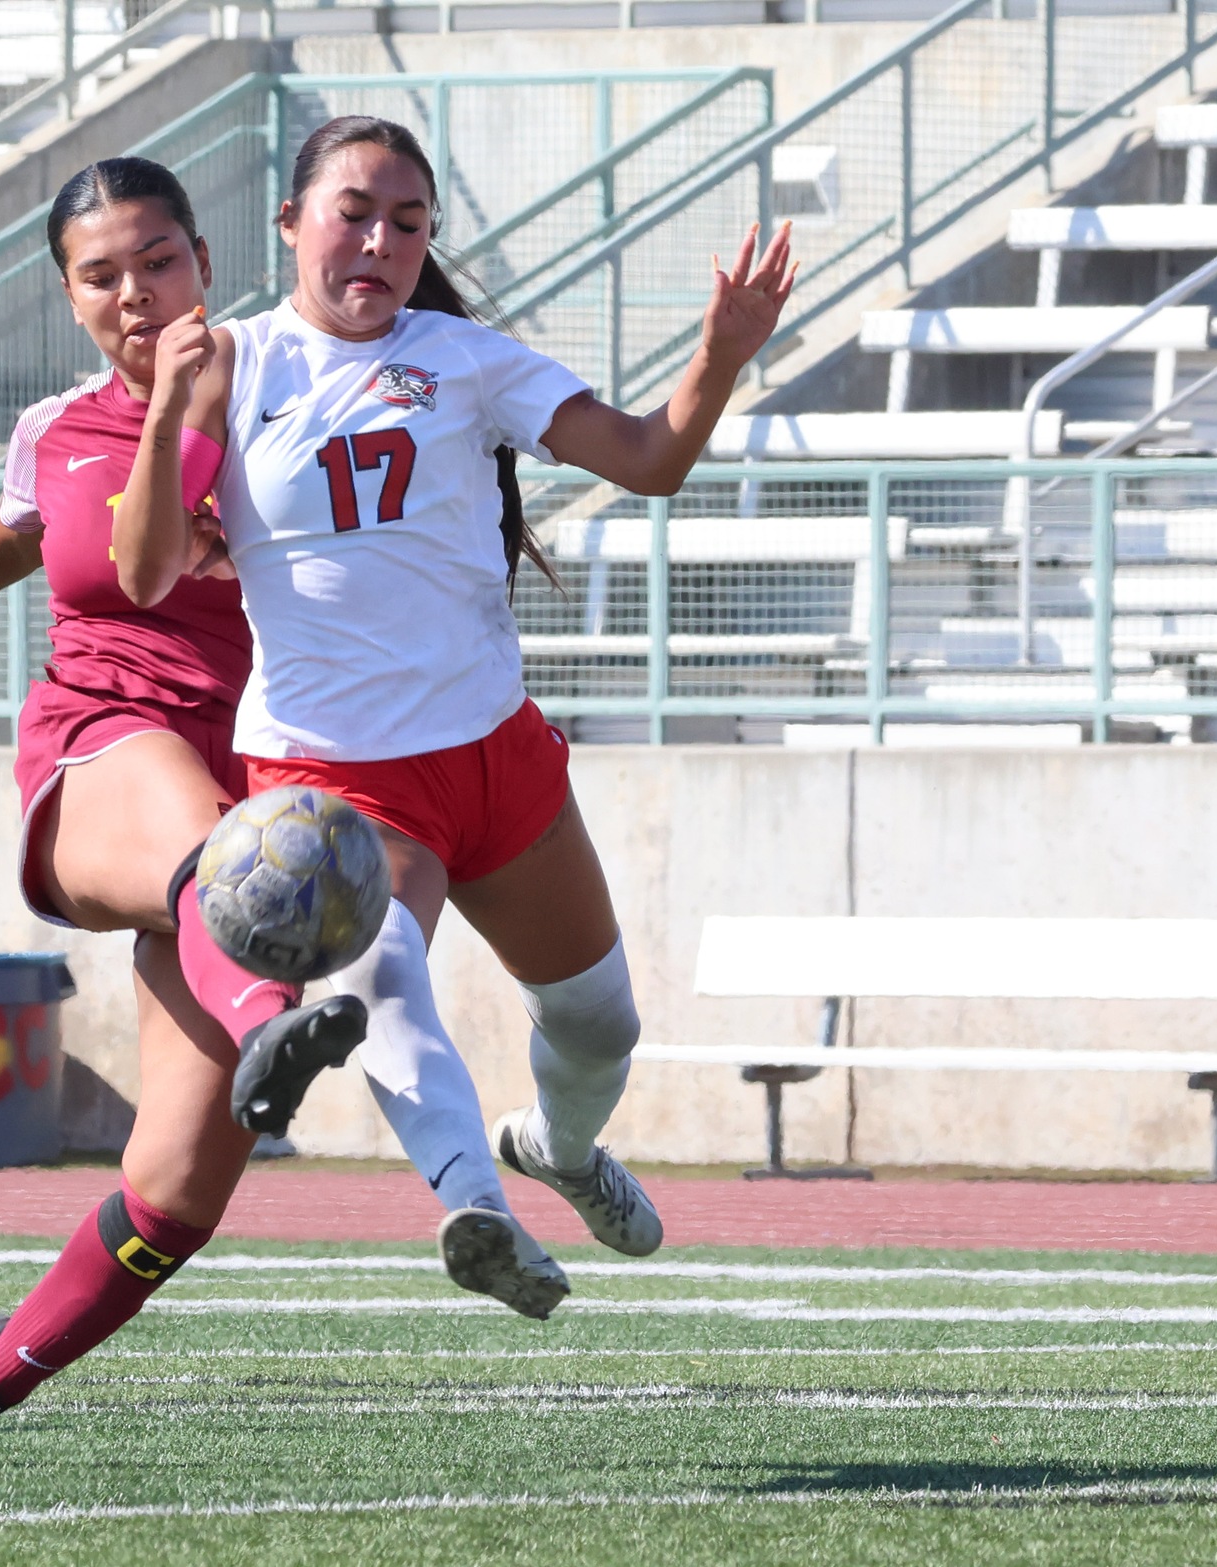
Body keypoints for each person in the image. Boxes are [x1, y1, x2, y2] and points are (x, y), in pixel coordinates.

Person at [116, 117, 795, 1320]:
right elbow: (145, 573)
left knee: (596, 1028)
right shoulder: (232, 361)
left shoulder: (465, 358)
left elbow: (648, 460)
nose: (377, 242)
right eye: (351, 213)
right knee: (382, 984)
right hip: (332, 777)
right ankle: (475, 1207)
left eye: (407, 223)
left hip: (491, 754)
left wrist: (721, 354)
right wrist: (167, 415)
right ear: (288, 223)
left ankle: (558, 1151)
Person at [0, 157, 369, 1468]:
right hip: (101, 757)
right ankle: (277, 1019)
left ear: (204, 262)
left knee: (175, 1193)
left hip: (246, 776)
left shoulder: (292, 395)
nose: (135, 294)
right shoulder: (59, 432)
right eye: (100, 275)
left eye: (157, 262)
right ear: (66, 295)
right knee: (224, 854)